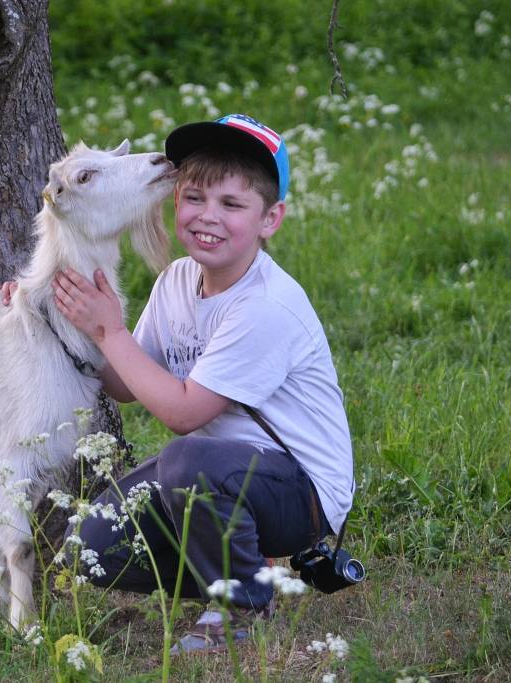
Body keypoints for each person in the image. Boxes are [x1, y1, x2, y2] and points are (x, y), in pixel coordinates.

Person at [47, 114, 355, 654]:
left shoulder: (267, 306)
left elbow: (184, 413)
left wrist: (110, 327)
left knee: (186, 458)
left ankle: (242, 605)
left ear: (270, 219)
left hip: (302, 492)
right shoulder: (176, 282)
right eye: (194, 198)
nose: (207, 217)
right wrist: (58, 319)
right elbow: (122, 381)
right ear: (175, 202)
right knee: (89, 547)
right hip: (223, 478)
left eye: (232, 205)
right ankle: (246, 564)